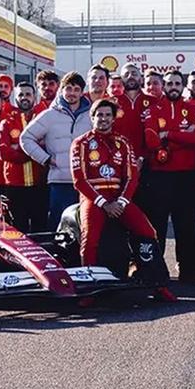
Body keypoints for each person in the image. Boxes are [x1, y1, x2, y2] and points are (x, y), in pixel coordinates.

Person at [70, 99, 174, 304]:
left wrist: (122, 202)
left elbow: (132, 177)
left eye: (107, 115)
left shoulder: (123, 142)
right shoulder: (80, 143)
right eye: (99, 115)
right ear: (92, 117)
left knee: (148, 231)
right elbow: (79, 180)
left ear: (113, 118)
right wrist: (104, 203)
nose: (103, 119)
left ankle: (157, 283)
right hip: (94, 198)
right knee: (90, 238)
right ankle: (89, 290)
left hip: (119, 199)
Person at [140, 70, 195, 282]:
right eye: (170, 84)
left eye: (177, 83)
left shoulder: (192, 107)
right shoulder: (152, 109)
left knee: (188, 225)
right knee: (157, 225)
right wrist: (182, 137)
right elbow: (151, 140)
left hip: (187, 176)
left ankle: (191, 271)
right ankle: (156, 272)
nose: (174, 87)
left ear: (183, 86)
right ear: (164, 86)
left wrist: (168, 134)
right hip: (160, 176)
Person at [20, 71, 92, 231]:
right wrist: (46, 159)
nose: (72, 93)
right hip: (60, 181)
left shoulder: (90, 116)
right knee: (59, 225)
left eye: (76, 89)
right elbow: (26, 138)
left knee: (85, 225)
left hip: (86, 181)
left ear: (82, 92)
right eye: (68, 88)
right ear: (62, 90)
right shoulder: (50, 115)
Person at [0, 83, 48, 233]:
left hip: (39, 184)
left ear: (35, 97)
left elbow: (48, 147)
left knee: (41, 228)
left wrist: (17, 147)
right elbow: (3, 152)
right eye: (20, 95)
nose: (24, 98)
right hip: (15, 186)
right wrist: (33, 150)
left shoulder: (43, 121)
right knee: (18, 229)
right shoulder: (6, 123)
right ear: (15, 98)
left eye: (28, 94)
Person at [115, 63, 162, 163]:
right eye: (126, 74)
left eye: (134, 73)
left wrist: (142, 157)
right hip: (120, 160)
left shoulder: (154, 102)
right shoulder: (112, 103)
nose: (130, 76)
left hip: (149, 161)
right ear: (121, 80)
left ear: (141, 79)